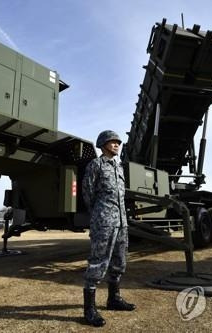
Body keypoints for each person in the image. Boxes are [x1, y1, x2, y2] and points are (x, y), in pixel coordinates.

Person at [82, 130, 136, 327]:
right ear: (103, 144)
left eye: (118, 142)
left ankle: (113, 299)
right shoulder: (95, 165)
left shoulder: (119, 167)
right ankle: (89, 309)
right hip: (104, 222)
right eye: (112, 142)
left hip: (121, 222)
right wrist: (101, 213)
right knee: (98, 262)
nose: (116, 145)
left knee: (119, 262)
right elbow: (88, 193)